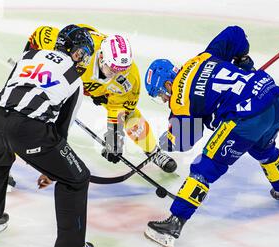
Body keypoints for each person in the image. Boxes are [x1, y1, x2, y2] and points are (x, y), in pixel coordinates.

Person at [143, 26, 279, 247]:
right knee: (263, 149)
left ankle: (174, 223)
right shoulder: (203, 57)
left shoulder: (179, 101)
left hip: (246, 116)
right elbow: (235, 33)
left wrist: (166, 140)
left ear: (168, 83)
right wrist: (243, 60)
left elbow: (184, 141)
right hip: (274, 100)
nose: (164, 100)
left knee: (205, 166)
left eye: (161, 94)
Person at [0, 25, 95, 247]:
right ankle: (70, 246)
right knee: (77, 178)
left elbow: (8, 92)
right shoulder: (75, 79)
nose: (82, 59)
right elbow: (60, 131)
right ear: (74, 51)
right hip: (27, 129)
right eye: (82, 53)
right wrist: (50, 169)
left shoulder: (31, 55)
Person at [24, 24, 177, 174]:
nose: (117, 75)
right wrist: (27, 64)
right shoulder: (81, 49)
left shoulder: (130, 78)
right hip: (69, 75)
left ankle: (153, 151)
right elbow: (42, 33)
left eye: (122, 70)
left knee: (131, 116)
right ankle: (18, 147)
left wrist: (114, 137)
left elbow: (120, 108)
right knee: (40, 106)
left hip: (100, 90)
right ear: (101, 57)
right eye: (113, 69)